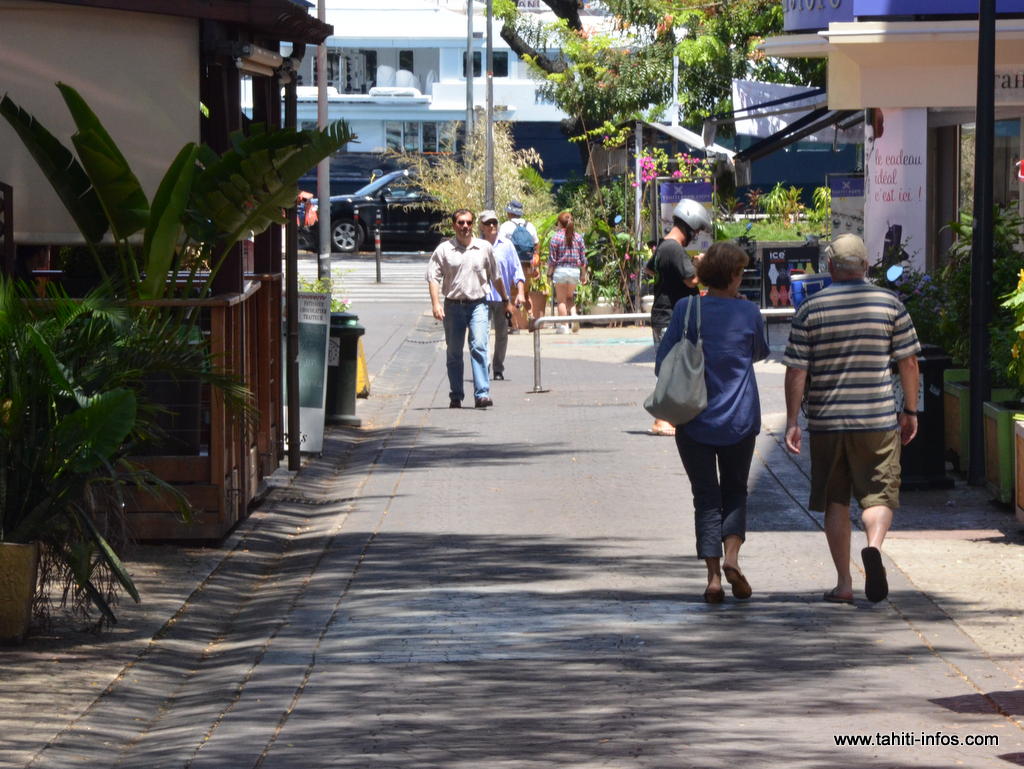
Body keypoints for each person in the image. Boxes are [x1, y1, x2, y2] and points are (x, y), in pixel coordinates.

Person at [782, 233, 921, 604]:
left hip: (828, 422)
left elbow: (797, 370)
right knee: (879, 494)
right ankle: (873, 545)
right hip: (876, 418)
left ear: (829, 267)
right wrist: (910, 409)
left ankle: (844, 583)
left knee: (836, 501)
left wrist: (792, 420)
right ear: (866, 267)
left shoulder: (811, 309)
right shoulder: (890, 304)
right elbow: (908, 361)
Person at [656, 241, 769, 604]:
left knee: (705, 497)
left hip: (693, 420)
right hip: (739, 419)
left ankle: (713, 579)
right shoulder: (749, 313)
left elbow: (663, 362)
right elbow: (759, 353)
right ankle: (733, 557)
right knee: (735, 490)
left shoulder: (688, 309)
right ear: (734, 276)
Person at [426, 209, 515, 409]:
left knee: (479, 347)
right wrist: (435, 304)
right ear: (454, 225)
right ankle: (456, 394)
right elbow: (433, 277)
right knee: (454, 352)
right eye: (460, 223)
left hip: (479, 305)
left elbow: (496, 276)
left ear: (473, 225)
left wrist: (505, 299)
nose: (464, 226)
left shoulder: (484, 248)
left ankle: (482, 394)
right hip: (454, 306)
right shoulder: (444, 250)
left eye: (468, 223)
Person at [645, 198, 713, 436]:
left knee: (672, 365)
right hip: (669, 315)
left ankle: (669, 417)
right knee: (668, 367)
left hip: (667, 313)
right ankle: (661, 420)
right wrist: (702, 265)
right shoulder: (674, 248)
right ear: (689, 224)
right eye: (696, 230)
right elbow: (692, 279)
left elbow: (650, 268)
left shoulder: (666, 247)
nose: (695, 235)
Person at [479, 210, 526, 380]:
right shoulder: (476, 245)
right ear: (482, 227)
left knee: (501, 334)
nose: (492, 226)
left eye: (494, 223)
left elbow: (517, 271)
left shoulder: (507, 245)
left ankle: (498, 368)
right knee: (481, 335)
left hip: (501, 298)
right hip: (481, 299)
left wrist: (520, 293)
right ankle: (483, 367)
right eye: (488, 223)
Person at [499, 200, 540, 332]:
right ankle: (531, 317)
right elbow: (536, 245)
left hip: (512, 265)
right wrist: (536, 265)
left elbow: (501, 245)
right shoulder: (530, 226)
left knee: (511, 294)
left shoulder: (505, 226)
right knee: (526, 293)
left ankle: (514, 325)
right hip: (527, 265)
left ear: (510, 212)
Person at [547, 210, 588, 334]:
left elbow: (552, 260)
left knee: (561, 300)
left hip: (560, 271)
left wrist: (549, 275)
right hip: (574, 271)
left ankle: (564, 326)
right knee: (570, 297)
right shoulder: (578, 237)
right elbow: (583, 259)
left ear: (560, 223)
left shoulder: (556, 237)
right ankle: (574, 316)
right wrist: (583, 274)